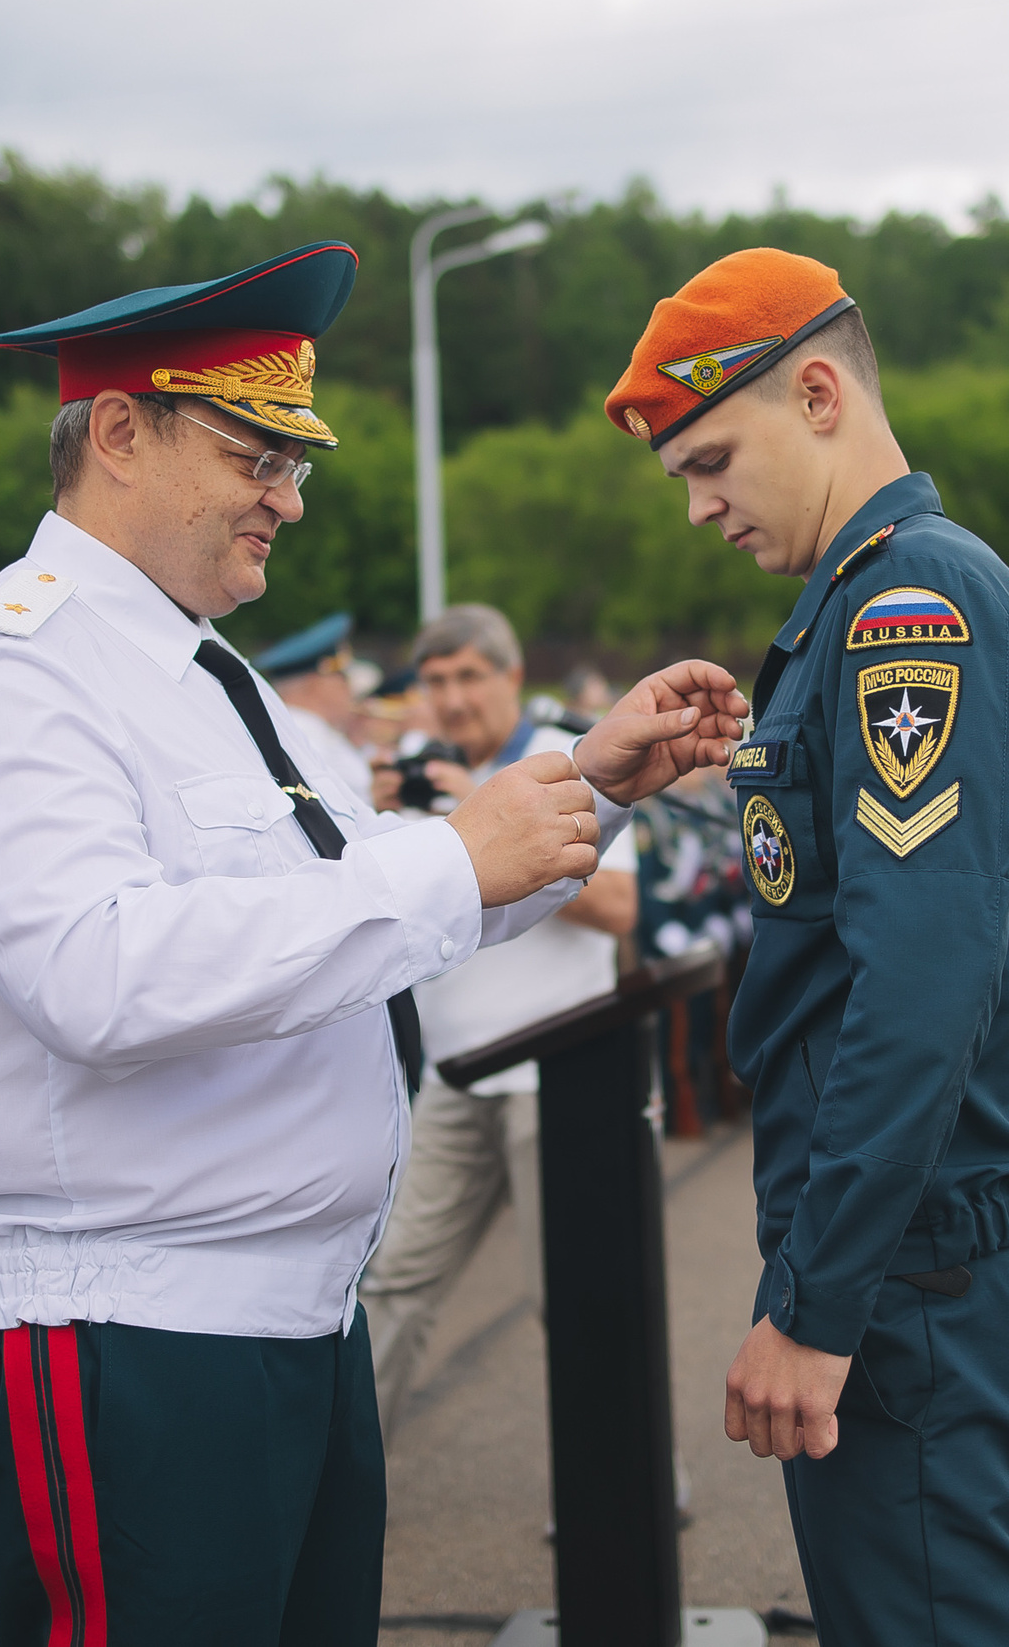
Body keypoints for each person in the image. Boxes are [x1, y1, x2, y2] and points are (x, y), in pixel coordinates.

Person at [0, 241, 744, 1646]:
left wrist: (594, 781)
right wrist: (458, 856)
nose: (286, 498)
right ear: (116, 431)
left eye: (295, 463)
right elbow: (98, 972)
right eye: (255, 454)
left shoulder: (210, 676)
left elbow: (382, 905)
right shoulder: (8, 666)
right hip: (119, 1327)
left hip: (276, 1309)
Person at [604, 247, 1009, 1645]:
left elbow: (920, 989)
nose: (700, 508)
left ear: (818, 392)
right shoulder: (866, 603)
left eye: (709, 459)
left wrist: (814, 1308)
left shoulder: (903, 611)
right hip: (911, 1250)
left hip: (908, 1269)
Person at [359, 603, 640, 1437]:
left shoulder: (564, 758)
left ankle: (628, 1495)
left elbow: (623, 907)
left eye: (469, 676)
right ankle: (334, 1484)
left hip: (557, 1076)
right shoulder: (416, 764)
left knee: (576, 1293)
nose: (450, 699)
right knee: (393, 1281)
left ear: (512, 677)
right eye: (435, 680)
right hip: (453, 1073)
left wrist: (487, 820)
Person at [254, 610, 378, 803]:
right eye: (342, 677)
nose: (349, 688)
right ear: (316, 683)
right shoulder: (303, 738)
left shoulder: (309, 733)